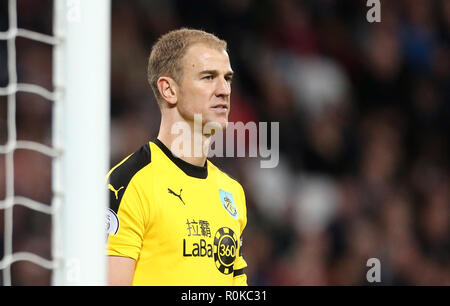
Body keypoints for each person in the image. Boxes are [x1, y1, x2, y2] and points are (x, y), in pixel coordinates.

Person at [106, 28, 248, 285]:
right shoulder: (127, 184)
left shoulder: (232, 192)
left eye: (227, 78)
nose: (224, 90)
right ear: (169, 90)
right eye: (208, 77)